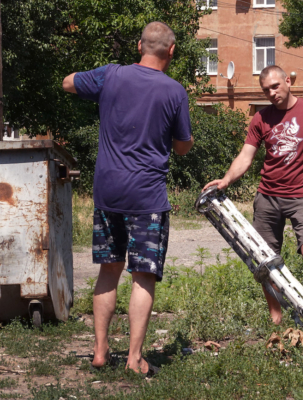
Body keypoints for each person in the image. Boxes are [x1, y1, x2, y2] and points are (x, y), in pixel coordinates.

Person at [62, 22, 194, 375]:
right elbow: (182, 148)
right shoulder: (174, 91)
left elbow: (68, 82)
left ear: (139, 46)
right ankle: (135, 358)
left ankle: (101, 350)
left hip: (107, 192)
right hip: (147, 197)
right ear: (172, 50)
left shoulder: (111, 76)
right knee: (142, 275)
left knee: (108, 270)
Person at [203, 65, 303, 324]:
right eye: (266, 89)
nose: (272, 93)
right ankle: (275, 319)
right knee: (265, 260)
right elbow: (246, 155)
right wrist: (226, 179)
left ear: (288, 81)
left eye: (276, 86)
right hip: (267, 197)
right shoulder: (261, 118)